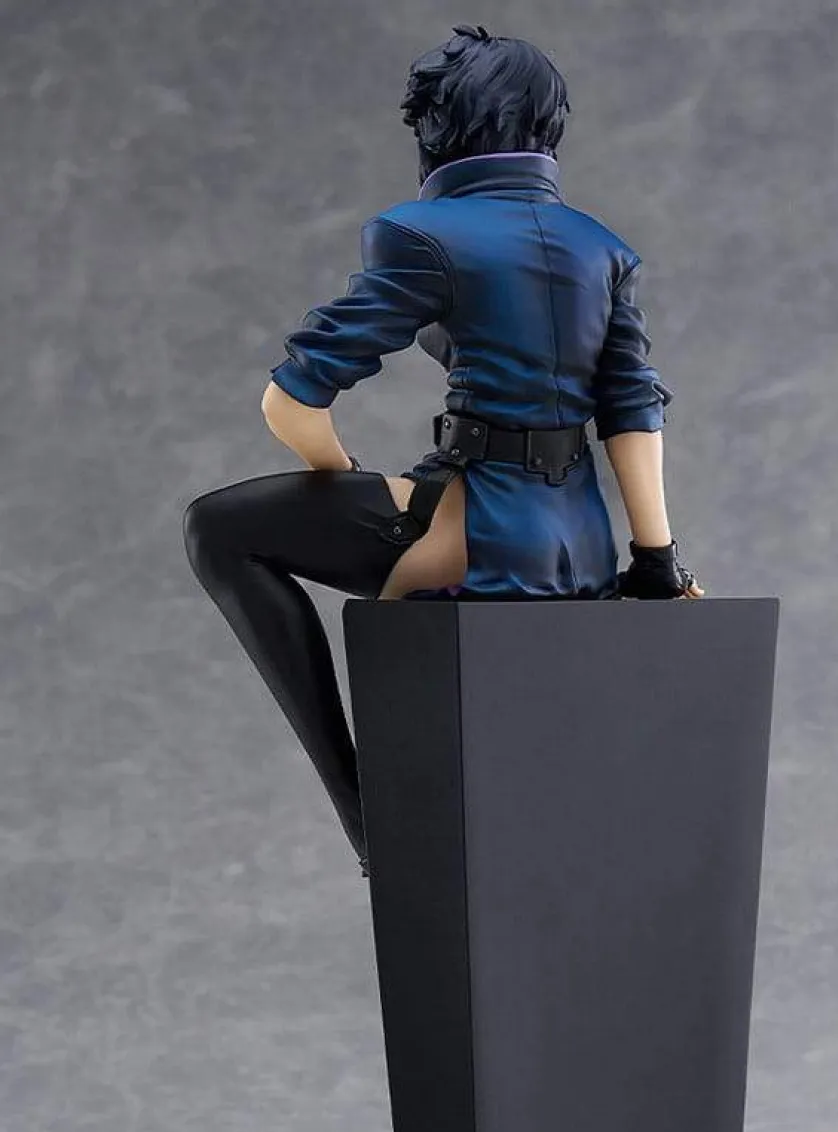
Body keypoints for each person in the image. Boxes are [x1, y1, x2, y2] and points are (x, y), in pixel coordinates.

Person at [182, 23, 704, 880]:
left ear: (437, 124)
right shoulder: (602, 247)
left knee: (218, 529)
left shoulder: (421, 233)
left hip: (477, 533)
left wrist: (342, 482)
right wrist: (656, 562)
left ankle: (363, 814)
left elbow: (292, 402)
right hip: (580, 545)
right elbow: (632, 410)